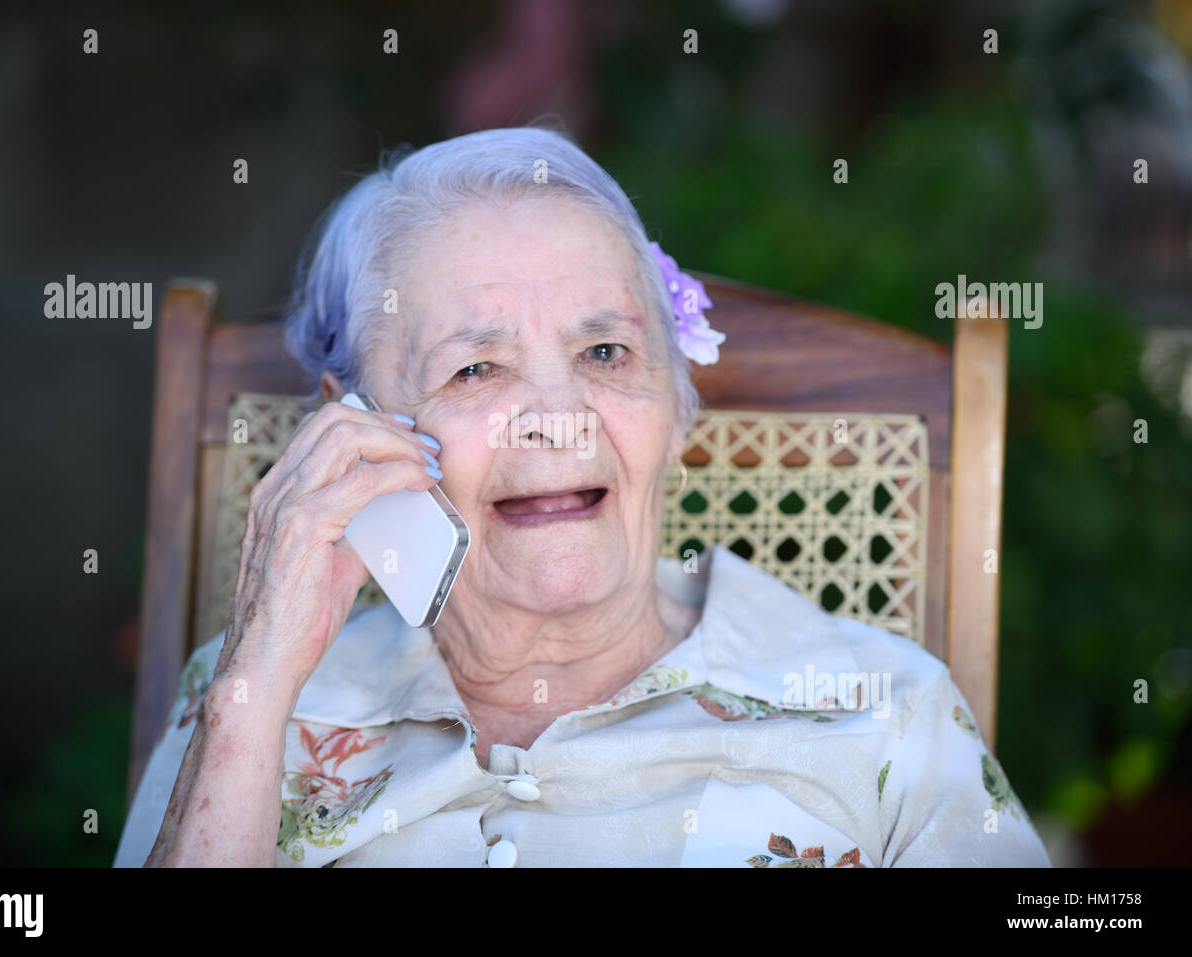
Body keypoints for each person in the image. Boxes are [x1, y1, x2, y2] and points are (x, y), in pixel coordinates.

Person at [114, 125, 1050, 867]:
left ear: (679, 402)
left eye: (607, 354)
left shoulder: (884, 710)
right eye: (477, 368)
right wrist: (256, 682)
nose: (558, 420)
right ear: (346, 434)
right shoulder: (251, 697)